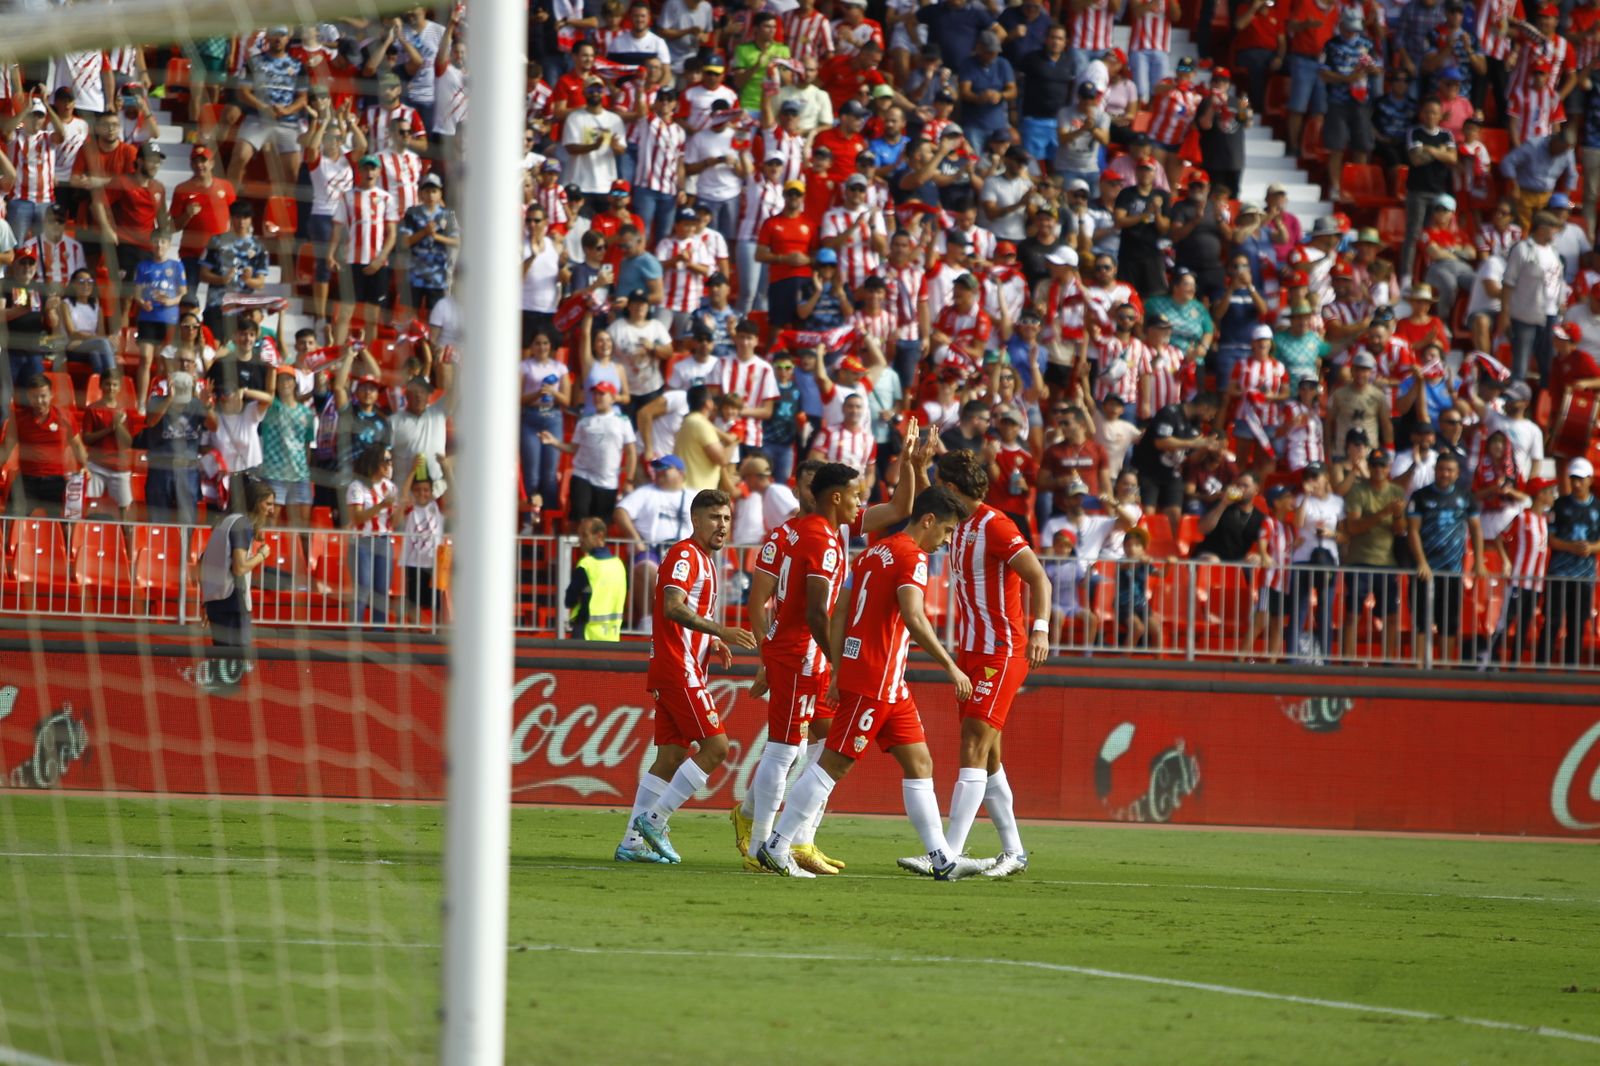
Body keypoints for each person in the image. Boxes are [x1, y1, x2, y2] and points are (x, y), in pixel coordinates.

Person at [754, 487, 988, 881]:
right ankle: (777, 844)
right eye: (946, 532)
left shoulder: (873, 553)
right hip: (876, 679)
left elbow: (842, 608)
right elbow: (914, 616)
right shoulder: (912, 558)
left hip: (885, 682)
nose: (946, 542)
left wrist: (840, 668)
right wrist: (952, 667)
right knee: (834, 763)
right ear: (928, 521)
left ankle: (941, 858)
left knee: (920, 763)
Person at [898, 449, 1050, 878]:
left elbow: (1039, 576)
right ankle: (1014, 851)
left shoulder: (997, 527)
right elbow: (923, 503)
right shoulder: (954, 522)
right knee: (990, 756)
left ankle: (945, 854)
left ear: (951, 488)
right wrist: (916, 464)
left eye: (937, 482)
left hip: (1002, 650)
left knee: (972, 743)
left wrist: (1040, 629)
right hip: (972, 650)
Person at [619, 489, 756, 864]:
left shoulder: (707, 560)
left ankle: (632, 842)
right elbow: (672, 607)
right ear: (695, 520)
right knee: (717, 748)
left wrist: (710, 641)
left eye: (726, 518)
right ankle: (655, 820)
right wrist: (720, 630)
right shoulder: (684, 555)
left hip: (682, 665)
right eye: (714, 518)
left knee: (672, 755)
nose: (722, 525)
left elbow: (683, 617)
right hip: (678, 668)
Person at [735, 461, 857, 874]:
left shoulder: (826, 534)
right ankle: (763, 848)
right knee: (786, 748)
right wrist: (767, 656)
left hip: (811, 655)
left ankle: (798, 837)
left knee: (825, 742)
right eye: (856, 494)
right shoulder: (802, 536)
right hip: (800, 653)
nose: (861, 502)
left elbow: (897, 512)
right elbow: (805, 610)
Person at [1407, 452, 1486, 665]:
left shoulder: (1466, 497)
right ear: (1435, 470)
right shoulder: (1420, 496)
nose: (1445, 474)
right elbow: (1413, 531)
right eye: (1441, 469)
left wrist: (1478, 561)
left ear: (1457, 473)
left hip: (1452, 569)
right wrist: (1421, 562)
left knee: (1449, 621)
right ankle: (1418, 669)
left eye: (1450, 470)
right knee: (1422, 620)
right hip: (1425, 570)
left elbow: (1476, 530)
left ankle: (1445, 668)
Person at [1341, 447, 1408, 661]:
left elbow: (1401, 530)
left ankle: (1387, 661)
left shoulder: (1397, 492)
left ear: (1389, 467)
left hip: (1387, 562)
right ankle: (1348, 661)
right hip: (1360, 560)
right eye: (1374, 464)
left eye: (1383, 465)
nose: (1378, 468)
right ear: (1368, 467)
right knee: (1353, 615)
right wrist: (1384, 513)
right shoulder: (1358, 491)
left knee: (1390, 616)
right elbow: (1353, 527)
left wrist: (1397, 517)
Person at [198, 479, 278, 657]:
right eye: (268, 504)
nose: (272, 510)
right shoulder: (242, 524)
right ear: (256, 502)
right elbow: (240, 568)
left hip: (216, 602)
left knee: (222, 662)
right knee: (235, 663)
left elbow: (202, 561)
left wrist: (206, 601)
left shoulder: (224, 522)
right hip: (233, 603)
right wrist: (261, 555)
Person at [542, 381, 637, 525]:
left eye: (602, 394)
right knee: (580, 519)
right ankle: (575, 547)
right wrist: (554, 442)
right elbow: (573, 449)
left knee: (600, 525)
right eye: (595, 394)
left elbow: (631, 453)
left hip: (608, 481)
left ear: (612, 398)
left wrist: (629, 480)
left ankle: (596, 548)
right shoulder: (584, 421)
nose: (597, 397)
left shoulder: (623, 421)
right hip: (583, 475)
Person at [0, 375, 88, 518]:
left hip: (56, 481)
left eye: (43, 396)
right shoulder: (17, 419)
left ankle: (65, 539)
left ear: (51, 395)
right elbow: (5, 450)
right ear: (28, 396)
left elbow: (77, 445)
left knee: (65, 522)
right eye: (35, 397)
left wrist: (85, 466)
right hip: (26, 480)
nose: (39, 401)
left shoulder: (65, 417)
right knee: (11, 518)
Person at [1548, 457, 1600, 667]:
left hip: (1584, 576)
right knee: (1552, 620)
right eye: (1573, 478)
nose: (1576, 483)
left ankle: (1571, 666)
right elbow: (1550, 539)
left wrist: (1591, 548)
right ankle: (1542, 664)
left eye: (1580, 479)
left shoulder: (1598, 507)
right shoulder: (1559, 505)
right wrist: (1571, 547)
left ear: (1589, 479)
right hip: (1559, 573)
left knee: (1577, 622)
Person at [346, 442, 399, 627]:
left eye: (391, 460)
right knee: (362, 589)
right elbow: (357, 517)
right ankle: (354, 631)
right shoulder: (357, 486)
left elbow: (395, 521)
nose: (389, 464)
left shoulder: (391, 488)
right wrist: (381, 506)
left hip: (384, 540)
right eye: (385, 460)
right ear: (374, 461)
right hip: (362, 542)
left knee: (382, 591)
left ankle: (378, 633)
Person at [564, 515, 628, 642]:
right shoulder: (619, 565)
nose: (580, 540)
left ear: (599, 536)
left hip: (586, 633)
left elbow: (569, 600)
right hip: (612, 635)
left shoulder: (586, 565)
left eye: (584, 535)